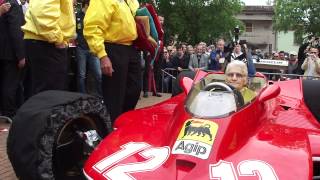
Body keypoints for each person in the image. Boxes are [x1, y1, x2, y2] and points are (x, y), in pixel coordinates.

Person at [84, 0, 141, 123]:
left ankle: (124, 123)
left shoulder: (132, 1)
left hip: (131, 47)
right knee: (115, 95)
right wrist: (102, 56)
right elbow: (93, 27)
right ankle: (111, 130)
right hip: (113, 47)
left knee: (134, 90)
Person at [22, 0, 76, 95]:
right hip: (47, 41)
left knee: (44, 93)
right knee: (50, 94)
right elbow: (43, 13)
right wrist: (58, 39)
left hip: (45, 40)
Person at [0, 0, 25, 118]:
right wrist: (21, 55)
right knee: (10, 84)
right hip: (11, 53)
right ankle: (9, 112)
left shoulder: (6, 5)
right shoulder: (13, 5)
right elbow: (16, 32)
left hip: (4, 51)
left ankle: (5, 110)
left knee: (5, 82)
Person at [75, 0, 102, 96]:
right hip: (81, 49)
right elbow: (74, 31)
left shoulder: (94, 16)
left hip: (93, 48)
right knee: (81, 75)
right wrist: (77, 39)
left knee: (98, 74)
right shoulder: (77, 15)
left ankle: (101, 97)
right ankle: (82, 97)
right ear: (86, 5)